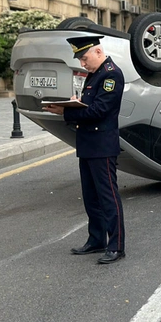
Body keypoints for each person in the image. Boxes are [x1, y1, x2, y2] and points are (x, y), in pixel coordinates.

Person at [43, 35, 126, 264]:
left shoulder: (111, 74)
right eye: (80, 59)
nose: (82, 63)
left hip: (102, 146)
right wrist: (74, 102)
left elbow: (98, 111)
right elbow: (89, 106)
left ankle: (116, 245)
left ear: (98, 52)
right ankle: (97, 239)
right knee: (91, 198)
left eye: (84, 57)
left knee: (108, 197)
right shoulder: (94, 74)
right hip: (88, 144)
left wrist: (65, 112)